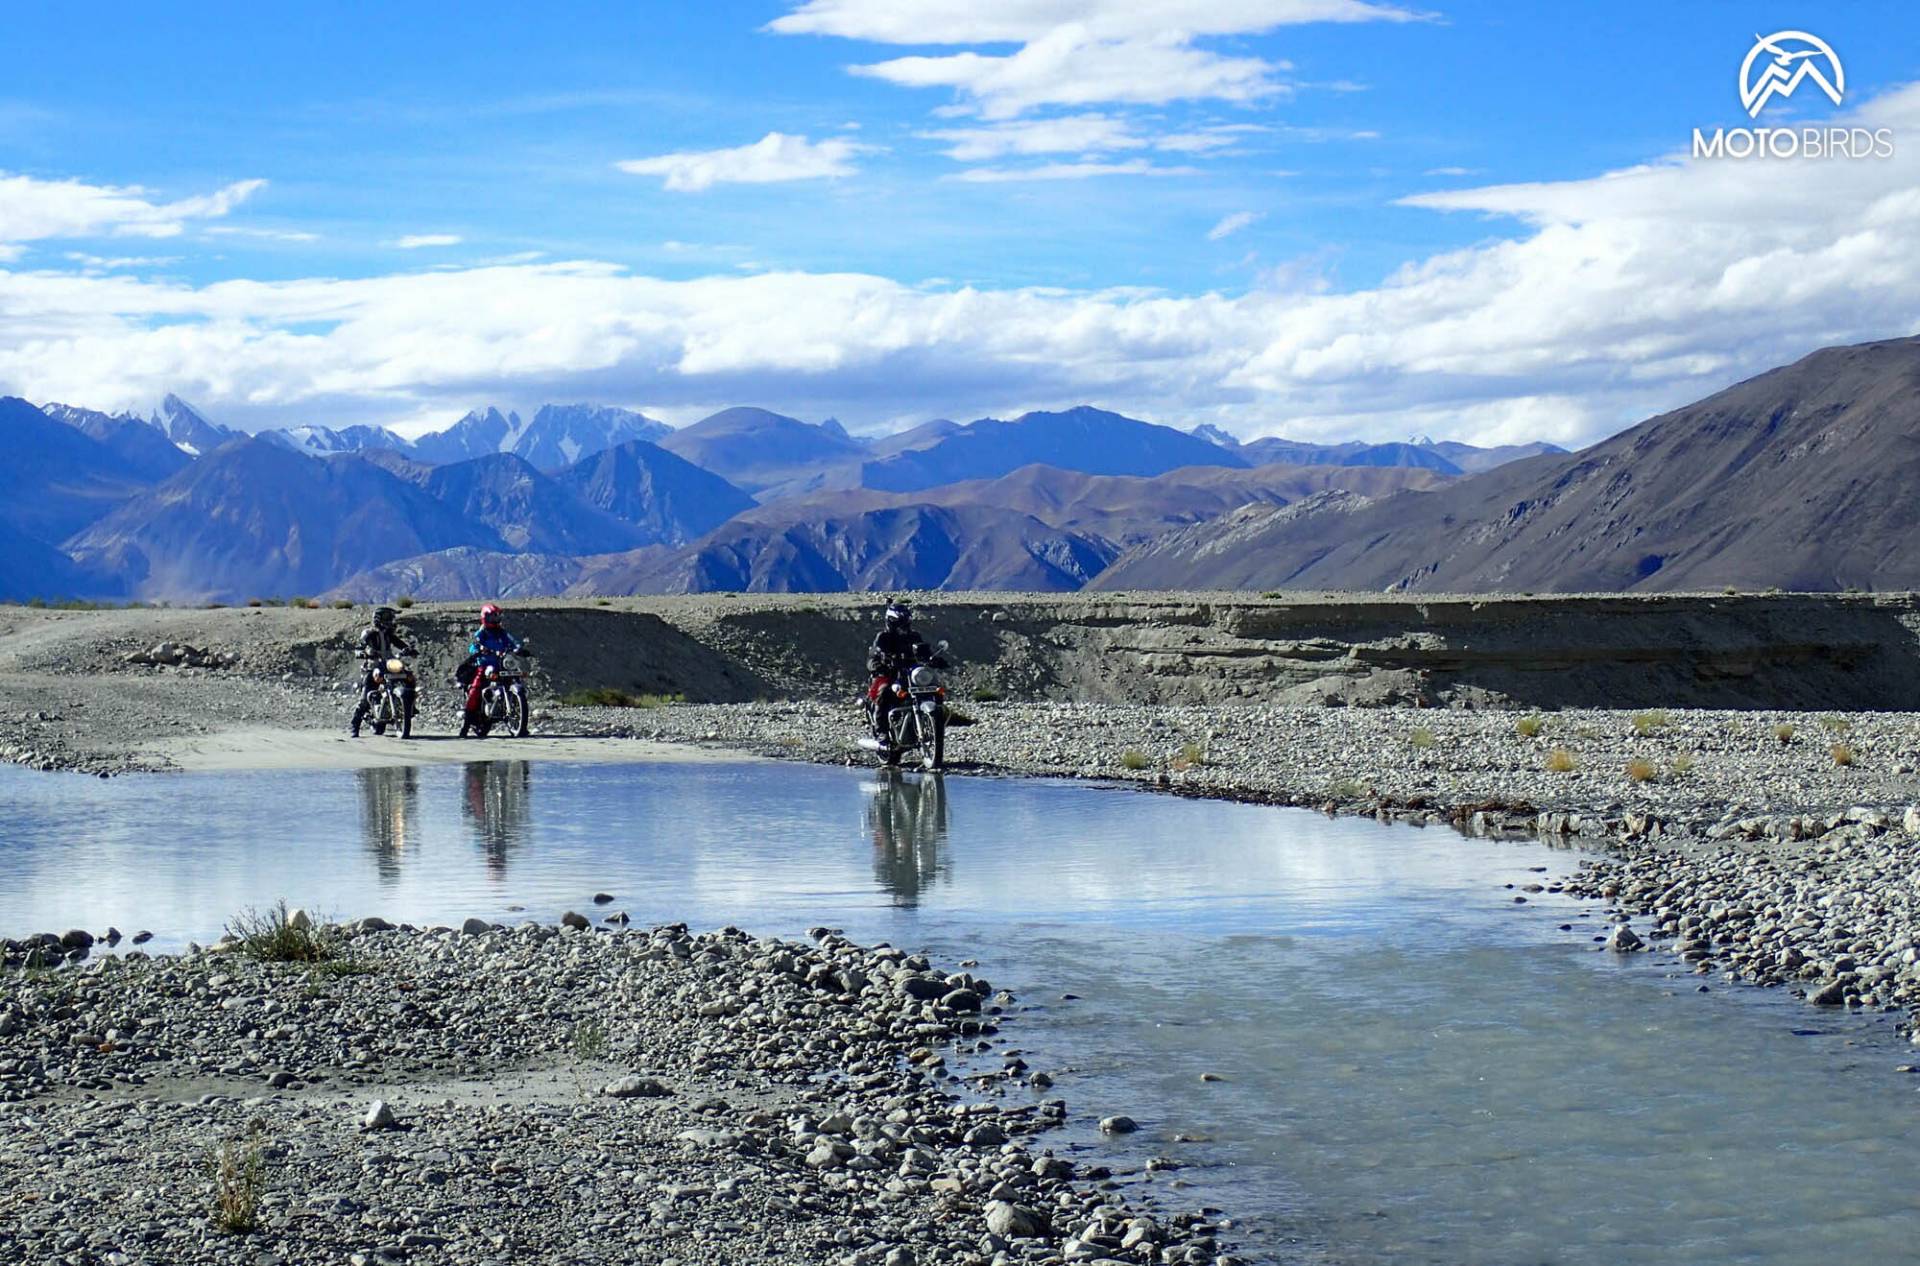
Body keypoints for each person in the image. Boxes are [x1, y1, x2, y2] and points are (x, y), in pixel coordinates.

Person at [866, 600, 937, 747]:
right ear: (891, 622)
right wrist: (879, 666)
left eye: (906, 623)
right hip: (890, 675)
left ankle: (935, 724)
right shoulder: (883, 637)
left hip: (910, 675)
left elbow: (924, 652)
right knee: (884, 692)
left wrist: (934, 660)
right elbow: (873, 656)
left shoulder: (914, 637)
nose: (904, 627)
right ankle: (882, 731)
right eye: (901, 623)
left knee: (935, 690)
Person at [459, 602, 526, 737]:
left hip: (502, 664)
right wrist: (479, 650)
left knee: (516, 678)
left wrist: (518, 648)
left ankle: (519, 719)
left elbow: (513, 641)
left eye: (496, 617)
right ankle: (466, 721)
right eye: (492, 617)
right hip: (485, 665)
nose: (495, 620)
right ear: (485, 617)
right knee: (476, 688)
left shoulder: (502, 633)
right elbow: (474, 646)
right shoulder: (482, 633)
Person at [349, 606, 416, 738]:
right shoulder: (368, 633)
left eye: (391, 618)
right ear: (378, 619)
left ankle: (410, 704)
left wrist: (409, 649)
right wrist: (363, 653)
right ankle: (354, 725)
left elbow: (400, 644)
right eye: (388, 618)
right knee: (365, 696)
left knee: (409, 676)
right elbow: (358, 648)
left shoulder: (388, 635)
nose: (391, 620)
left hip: (389, 663)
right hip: (373, 666)